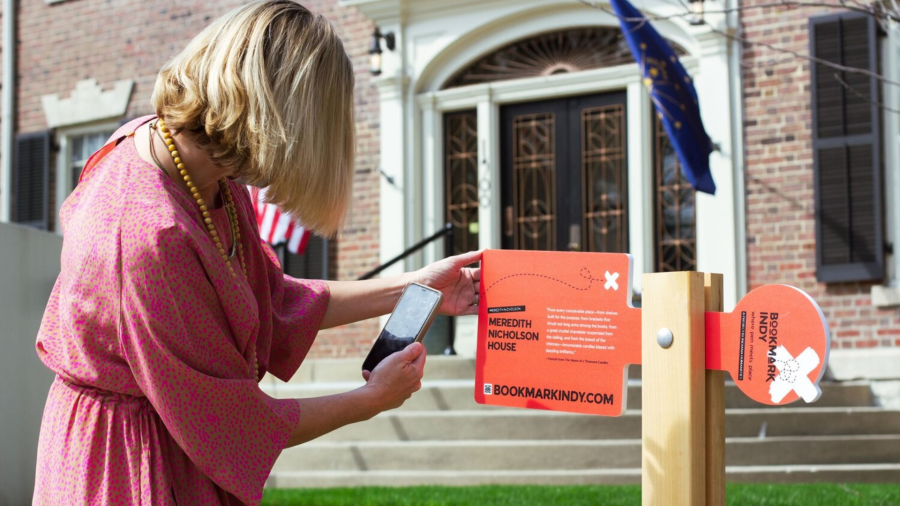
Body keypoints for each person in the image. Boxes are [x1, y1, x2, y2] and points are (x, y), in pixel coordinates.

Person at [31, 2, 481, 505]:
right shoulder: (147, 238)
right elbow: (228, 420)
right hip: (130, 462)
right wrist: (369, 400)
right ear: (274, 116)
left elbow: (268, 298)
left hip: (176, 436)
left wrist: (418, 287)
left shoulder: (200, 166)